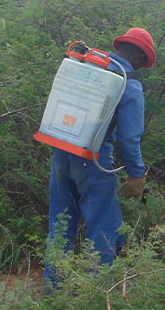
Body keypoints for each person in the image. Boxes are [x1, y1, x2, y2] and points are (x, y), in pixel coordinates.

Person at [44, 27, 155, 285]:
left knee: (60, 224)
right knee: (104, 227)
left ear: (120, 47)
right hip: (93, 158)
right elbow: (129, 138)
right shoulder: (128, 83)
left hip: (60, 148)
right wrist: (137, 174)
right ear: (139, 56)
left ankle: (53, 290)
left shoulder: (84, 63)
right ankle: (97, 293)